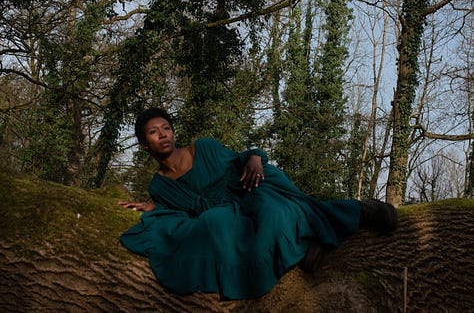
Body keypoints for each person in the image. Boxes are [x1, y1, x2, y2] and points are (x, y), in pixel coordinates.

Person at [119, 107, 397, 300]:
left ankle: (361, 212)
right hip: (226, 210)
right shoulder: (159, 185)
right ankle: (313, 242)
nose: (163, 134)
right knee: (224, 223)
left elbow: (239, 159)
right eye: (154, 132)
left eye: (166, 128)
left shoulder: (202, 147)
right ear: (145, 144)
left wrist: (254, 157)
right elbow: (182, 212)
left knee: (272, 208)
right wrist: (156, 208)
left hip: (248, 183)